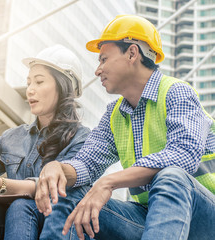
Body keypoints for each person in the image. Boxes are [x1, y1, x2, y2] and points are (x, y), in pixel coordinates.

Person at [35, 15, 215, 240]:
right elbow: (86, 164)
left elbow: (183, 156)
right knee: (68, 195)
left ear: (132, 53)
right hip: (152, 220)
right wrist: (58, 168)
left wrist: (109, 181)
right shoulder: (114, 114)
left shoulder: (176, 92)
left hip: (204, 217)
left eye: (103, 59)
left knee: (171, 177)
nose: (97, 71)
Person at [0, 45, 91, 239]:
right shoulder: (12, 136)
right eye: (28, 83)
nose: (30, 90)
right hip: (7, 219)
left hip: (54, 223)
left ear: (64, 86)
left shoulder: (83, 138)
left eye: (39, 82)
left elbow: (52, 190)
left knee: (20, 206)